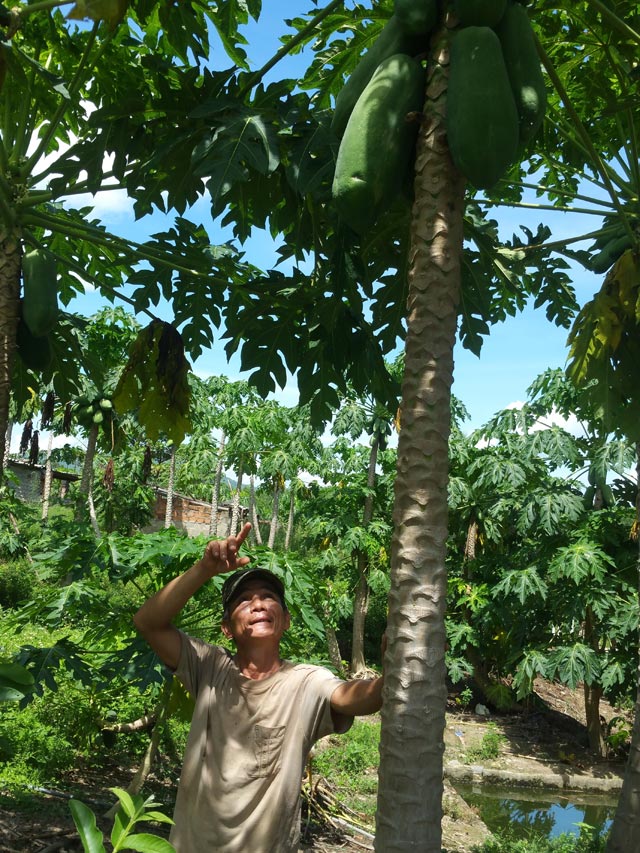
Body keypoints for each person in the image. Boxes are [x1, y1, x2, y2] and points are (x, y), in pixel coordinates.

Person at [133, 521, 384, 853]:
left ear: (286, 619)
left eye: (269, 597)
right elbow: (148, 622)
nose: (259, 604)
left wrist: (395, 668)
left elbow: (358, 699)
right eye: (245, 600)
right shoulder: (209, 667)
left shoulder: (307, 681)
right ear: (226, 628)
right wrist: (205, 569)